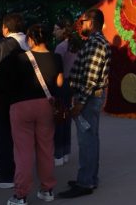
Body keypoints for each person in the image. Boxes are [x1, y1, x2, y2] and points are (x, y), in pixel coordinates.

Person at [0, 24, 63, 205]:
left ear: (31, 39)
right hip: (46, 106)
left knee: (23, 152)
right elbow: (59, 83)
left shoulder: (18, 59)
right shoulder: (56, 58)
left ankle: (21, 194)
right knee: (46, 149)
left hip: (21, 107)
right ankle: (47, 190)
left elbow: (3, 82)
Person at [58, 9, 111, 199]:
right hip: (89, 98)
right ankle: (89, 178)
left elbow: (90, 77)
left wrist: (79, 103)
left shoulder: (96, 43)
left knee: (87, 140)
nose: (81, 25)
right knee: (91, 139)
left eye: (83, 21)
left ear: (92, 22)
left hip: (88, 99)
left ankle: (85, 182)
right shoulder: (94, 41)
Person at [0, 13, 29, 190]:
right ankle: (22, 171)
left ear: (5, 28)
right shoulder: (31, 42)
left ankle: (6, 173)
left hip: (3, 98)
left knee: (2, 135)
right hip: (27, 96)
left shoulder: (0, 46)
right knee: (22, 137)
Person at [53, 22, 81, 167]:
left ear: (63, 30)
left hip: (62, 84)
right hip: (73, 84)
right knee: (67, 118)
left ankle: (58, 154)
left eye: (56, 29)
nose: (54, 32)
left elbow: (56, 68)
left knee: (59, 118)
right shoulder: (75, 45)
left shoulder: (61, 47)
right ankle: (65, 152)